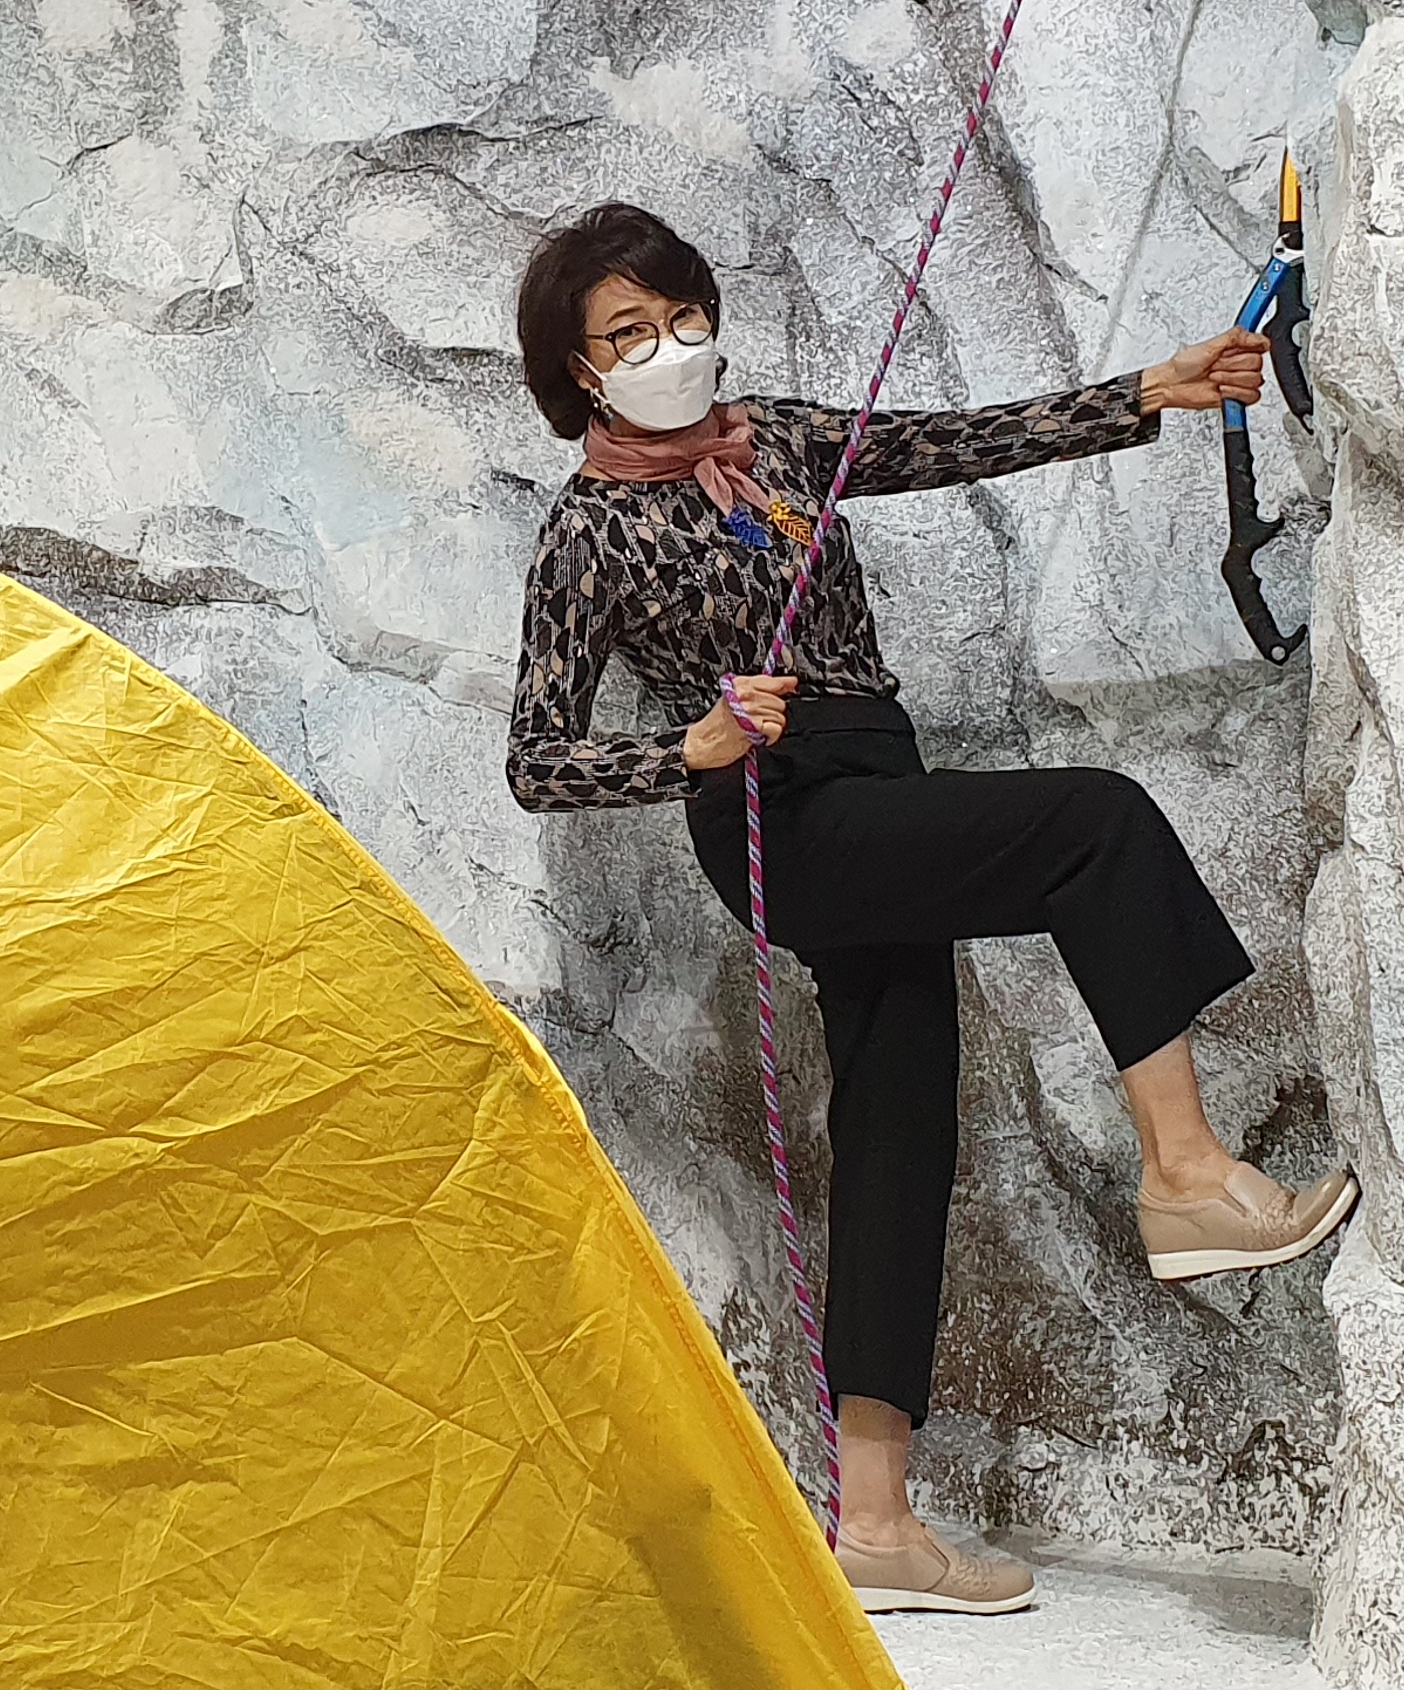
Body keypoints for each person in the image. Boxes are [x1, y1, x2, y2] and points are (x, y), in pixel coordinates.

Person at [503, 201, 1359, 1617]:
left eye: (682, 315)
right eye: (629, 334)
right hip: (782, 818)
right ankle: (1188, 1174)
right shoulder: (587, 529)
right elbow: (536, 759)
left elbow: (955, 440)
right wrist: (688, 749)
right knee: (1093, 825)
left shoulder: (775, 439)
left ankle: (878, 1524)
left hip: (877, 787)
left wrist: (1152, 389)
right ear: (579, 374)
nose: (670, 347)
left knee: (900, 1132)